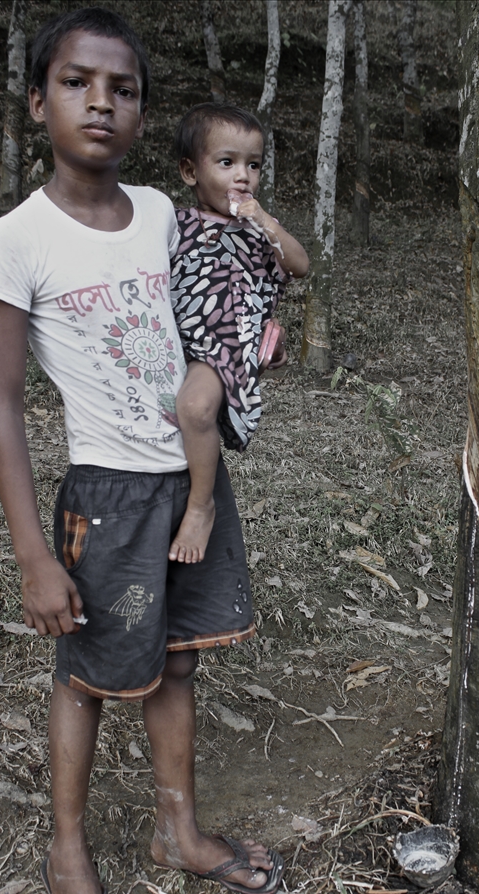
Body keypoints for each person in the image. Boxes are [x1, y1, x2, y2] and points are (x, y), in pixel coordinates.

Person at [0, 9, 284, 894]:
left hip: (188, 484)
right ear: (37, 102)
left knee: (177, 657)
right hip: (104, 499)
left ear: (147, 117)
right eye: (76, 83)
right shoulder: (17, 240)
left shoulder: (161, 213)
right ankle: (67, 854)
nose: (101, 102)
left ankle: (176, 829)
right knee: (89, 676)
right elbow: (4, 406)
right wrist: (33, 555)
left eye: (125, 88)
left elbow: (237, 291)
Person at [168, 103, 309, 564]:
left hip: (227, 346)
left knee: (194, 406)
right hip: (176, 341)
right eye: (226, 162)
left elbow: (301, 265)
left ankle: (201, 505)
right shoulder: (175, 225)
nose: (242, 175)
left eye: (253, 164)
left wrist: (264, 220)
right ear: (191, 171)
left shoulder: (258, 235)